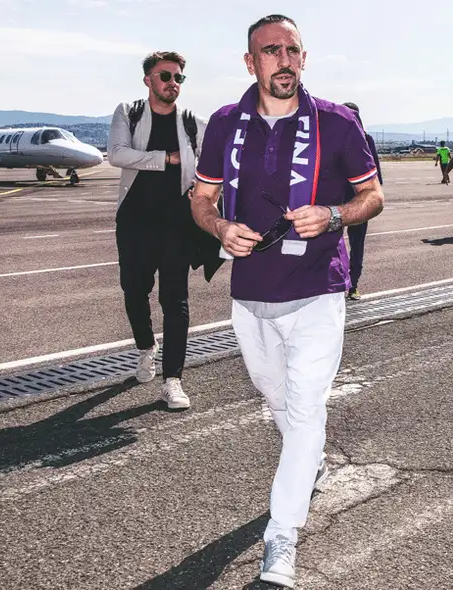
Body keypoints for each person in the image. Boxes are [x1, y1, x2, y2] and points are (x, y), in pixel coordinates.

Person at [189, 14, 384, 588]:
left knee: (303, 410)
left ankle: (281, 542)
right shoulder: (225, 124)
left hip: (318, 291)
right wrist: (219, 228)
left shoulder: (338, 122)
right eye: (271, 51)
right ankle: (310, 462)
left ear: (305, 56)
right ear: (251, 63)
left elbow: (373, 195)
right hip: (250, 296)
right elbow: (201, 199)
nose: (284, 59)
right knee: (277, 399)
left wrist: (335, 214)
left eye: (292, 49)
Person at [107, 51, 207, 409]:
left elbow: (212, 167)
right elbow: (116, 154)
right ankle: (146, 347)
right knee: (134, 292)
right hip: (134, 221)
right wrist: (164, 159)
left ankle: (173, 380)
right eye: (165, 76)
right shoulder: (129, 112)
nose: (173, 83)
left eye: (179, 77)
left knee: (175, 300)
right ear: (148, 79)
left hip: (177, 224)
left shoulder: (193, 123)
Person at [342, 101, 383, 301]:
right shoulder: (332, 139)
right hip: (337, 204)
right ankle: (335, 284)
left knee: (357, 246)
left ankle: (353, 284)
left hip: (360, 203)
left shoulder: (367, 140)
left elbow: (376, 173)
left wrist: (374, 197)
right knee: (332, 245)